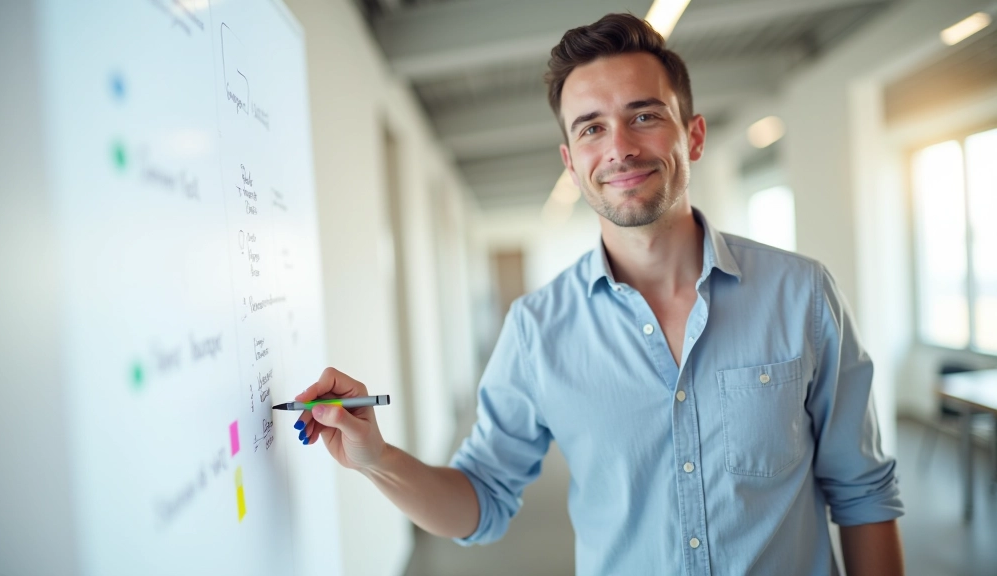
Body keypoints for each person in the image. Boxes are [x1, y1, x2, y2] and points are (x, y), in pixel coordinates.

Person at [292, 12, 904, 576]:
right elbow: (480, 501)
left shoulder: (801, 295)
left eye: (644, 115)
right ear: (569, 159)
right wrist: (378, 459)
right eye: (592, 127)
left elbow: (863, 491)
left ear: (692, 136)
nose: (619, 147)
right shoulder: (536, 330)